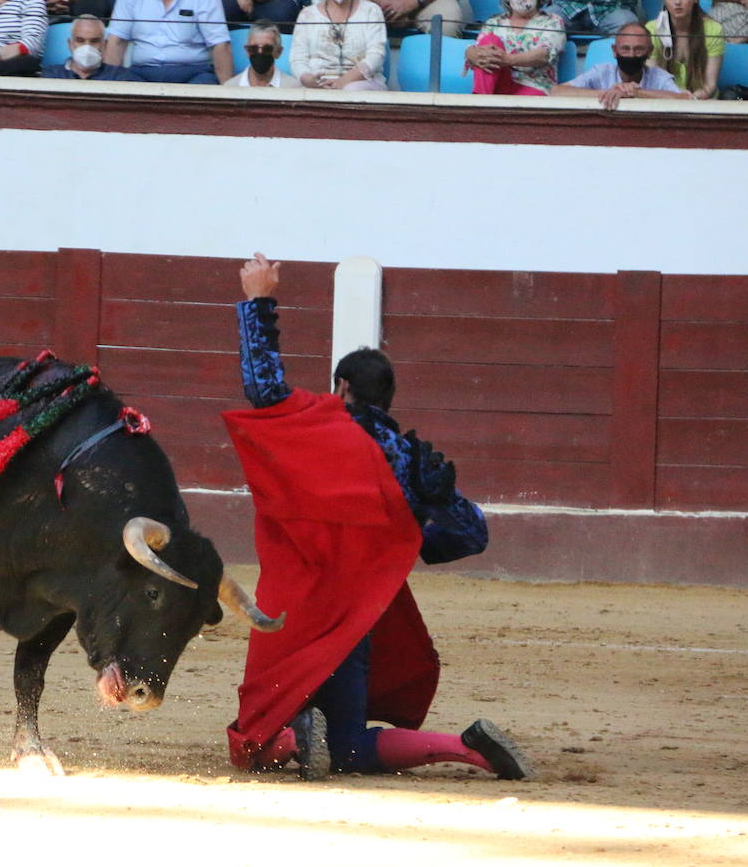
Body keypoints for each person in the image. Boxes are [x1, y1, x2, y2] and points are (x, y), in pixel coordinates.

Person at [223, 253, 530, 783]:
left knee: (252, 742)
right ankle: (463, 748)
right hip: (354, 623)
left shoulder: (316, 428)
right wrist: (434, 517)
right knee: (350, 751)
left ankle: (293, 734)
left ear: (341, 388)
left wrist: (259, 301)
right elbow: (471, 535)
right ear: (388, 398)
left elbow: (264, 388)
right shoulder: (408, 461)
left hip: (291, 613)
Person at [105, 0, 233, 84]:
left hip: (194, 72)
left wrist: (228, 93)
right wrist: (108, 86)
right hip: (141, 72)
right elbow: (117, 40)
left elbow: (220, 44)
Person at [290, 0, 387, 90]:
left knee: (351, 90)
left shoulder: (371, 11)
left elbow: (376, 56)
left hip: (361, 82)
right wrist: (308, 79)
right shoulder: (307, 15)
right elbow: (297, 59)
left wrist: (342, 82)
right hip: (318, 83)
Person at [464, 0, 565, 96]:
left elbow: (544, 55)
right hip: (497, 84)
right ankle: (481, 105)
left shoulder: (552, 21)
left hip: (534, 87)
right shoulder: (495, 22)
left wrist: (508, 60)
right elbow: (479, 52)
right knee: (489, 41)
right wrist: (470, 53)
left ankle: (480, 109)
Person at [550, 21, 688, 107]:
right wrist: (609, 93)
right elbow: (557, 91)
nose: (632, 55)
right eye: (625, 49)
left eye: (639, 49)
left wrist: (638, 93)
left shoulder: (659, 77)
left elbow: (684, 99)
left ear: (650, 51)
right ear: (614, 51)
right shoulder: (601, 72)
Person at [645, 0, 724, 99]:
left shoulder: (714, 29)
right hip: (665, 100)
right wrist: (677, 98)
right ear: (664, 0)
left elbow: (710, 85)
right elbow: (654, 81)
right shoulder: (652, 29)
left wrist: (692, 99)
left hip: (703, 102)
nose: (677, 1)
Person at [40, 13, 142, 79]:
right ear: (70, 44)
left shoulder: (119, 77)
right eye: (80, 40)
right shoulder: (52, 75)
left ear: (104, 45)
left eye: (94, 41)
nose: (87, 46)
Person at [226, 19, 299, 86]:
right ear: (247, 51)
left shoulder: (294, 87)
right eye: (254, 48)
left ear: (278, 52)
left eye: (267, 49)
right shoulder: (230, 87)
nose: (260, 53)